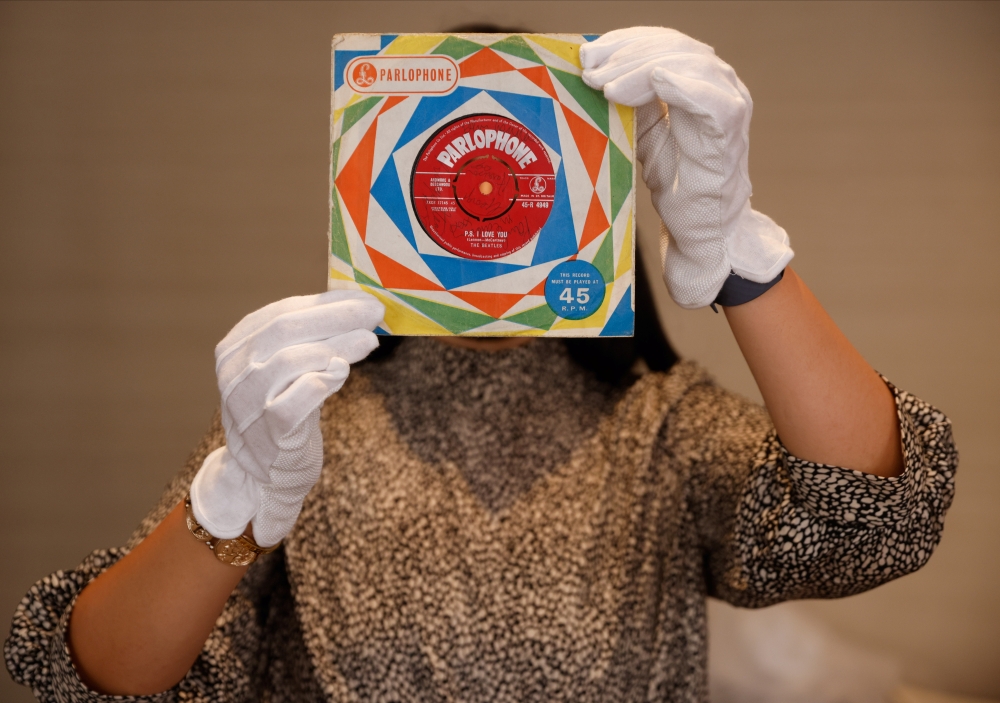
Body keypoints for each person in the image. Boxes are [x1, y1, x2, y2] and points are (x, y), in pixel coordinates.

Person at [4, 27, 956, 702]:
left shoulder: (661, 425)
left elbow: (874, 515)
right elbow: (93, 677)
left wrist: (740, 259)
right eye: (452, 172)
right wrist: (230, 509)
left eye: (528, 171)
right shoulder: (297, 421)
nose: (487, 199)